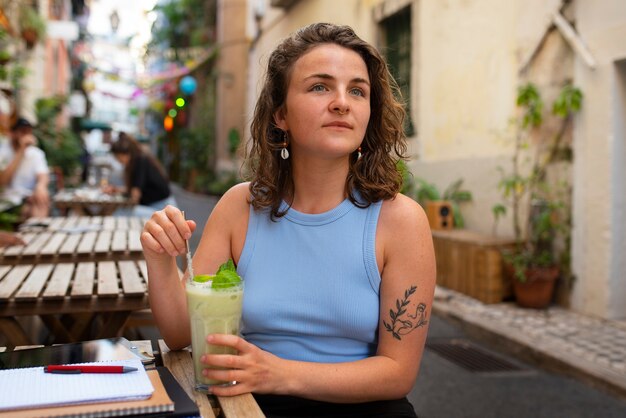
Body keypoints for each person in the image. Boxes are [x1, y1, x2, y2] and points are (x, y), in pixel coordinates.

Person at [141, 23, 436, 417]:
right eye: (319, 87)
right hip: (249, 404)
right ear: (280, 114)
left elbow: (397, 373)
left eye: (357, 90)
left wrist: (276, 373)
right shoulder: (239, 206)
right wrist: (161, 259)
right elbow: (179, 334)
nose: (341, 103)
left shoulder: (401, 220)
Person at [107, 132, 177, 218]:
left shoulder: (139, 160)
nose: (118, 160)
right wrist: (116, 190)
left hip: (162, 209)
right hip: (158, 206)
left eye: (118, 157)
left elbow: (135, 194)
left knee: (120, 213)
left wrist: (124, 201)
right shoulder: (140, 158)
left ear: (125, 154)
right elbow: (138, 189)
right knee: (121, 212)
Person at [0, 117, 50, 218]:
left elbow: (43, 176)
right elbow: (3, 181)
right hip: (7, 202)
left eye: (28, 132)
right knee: (29, 209)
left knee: (40, 200)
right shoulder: (3, 152)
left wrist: (40, 187)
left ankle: (38, 230)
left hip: (28, 198)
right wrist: (21, 151)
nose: (26, 135)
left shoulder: (36, 153)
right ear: (12, 133)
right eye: (22, 131)